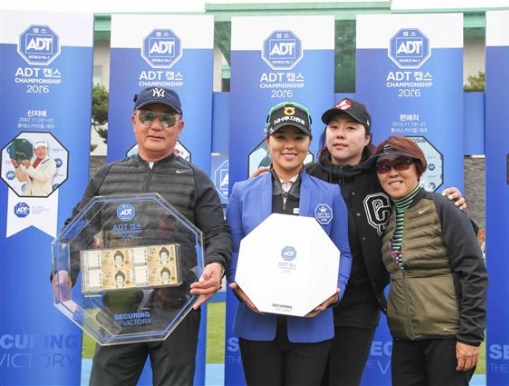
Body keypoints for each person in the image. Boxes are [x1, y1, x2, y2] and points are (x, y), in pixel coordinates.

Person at [52, 86, 232, 386]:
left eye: (167, 119)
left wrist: (216, 264)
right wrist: (64, 271)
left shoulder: (196, 179)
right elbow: (78, 229)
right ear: (134, 121)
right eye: (148, 116)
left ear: (180, 126)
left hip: (176, 308)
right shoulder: (107, 177)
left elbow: (217, 233)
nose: (156, 125)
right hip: (120, 308)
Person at [302, 97, 467, 385]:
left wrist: (451, 202)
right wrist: (271, 182)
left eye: (351, 128)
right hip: (309, 298)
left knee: (343, 380)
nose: (340, 134)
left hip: (358, 302)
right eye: (333, 126)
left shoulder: (382, 175)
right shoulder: (307, 178)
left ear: (367, 138)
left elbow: (420, 201)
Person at [227, 101, 352, 385]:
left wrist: (336, 291)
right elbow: (234, 249)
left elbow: (342, 251)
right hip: (256, 324)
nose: (289, 145)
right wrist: (239, 287)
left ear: (309, 142)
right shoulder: (241, 192)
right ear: (267, 139)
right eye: (280, 137)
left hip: (311, 326)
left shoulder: (330, 194)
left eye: (298, 137)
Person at [373, 136, 488, 386]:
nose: (392, 172)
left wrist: (469, 337)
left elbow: (474, 273)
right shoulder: (387, 219)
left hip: (447, 338)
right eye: (384, 167)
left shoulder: (443, 207)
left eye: (401, 163)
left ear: (419, 167)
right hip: (405, 339)